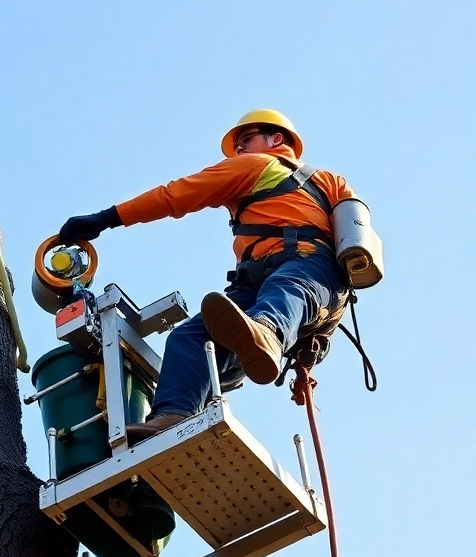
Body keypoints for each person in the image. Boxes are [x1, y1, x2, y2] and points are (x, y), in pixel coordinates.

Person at [58, 109, 356, 443]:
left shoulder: (256, 165)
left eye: (247, 140)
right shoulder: (330, 181)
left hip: (305, 267)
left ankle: (267, 335)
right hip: (284, 286)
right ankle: (173, 415)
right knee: (189, 338)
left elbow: (174, 196)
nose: (239, 150)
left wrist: (103, 219)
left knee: (283, 294)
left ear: (276, 139)